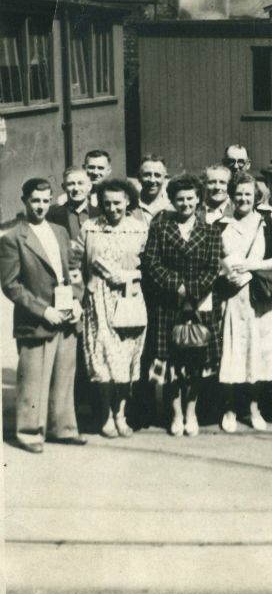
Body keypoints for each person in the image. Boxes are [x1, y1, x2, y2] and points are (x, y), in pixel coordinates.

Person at [0, 178, 86, 453]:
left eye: (45, 200)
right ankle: (29, 432)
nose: (40, 206)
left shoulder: (60, 231)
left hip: (66, 315)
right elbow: (11, 285)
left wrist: (77, 298)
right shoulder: (14, 238)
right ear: (25, 201)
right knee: (33, 380)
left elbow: (74, 271)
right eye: (35, 201)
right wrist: (42, 310)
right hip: (36, 319)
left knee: (64, 375)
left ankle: (62, 428)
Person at [142, 174, 223, 437]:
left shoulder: (210, 231)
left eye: (190, 198)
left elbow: (213, 267)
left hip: (201, 305)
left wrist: (192, 291)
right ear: (172, 201)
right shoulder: (161, 228)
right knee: (171, 364)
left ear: (198, 199)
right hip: (168, 304)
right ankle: (175, 414)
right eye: (180, 199)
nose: (185, 203)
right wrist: (176, 285)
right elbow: (151, 264)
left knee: (196, 362)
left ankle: (192, 413)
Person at [216, 172, 272, 433]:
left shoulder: (267, 223)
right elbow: (212, 262)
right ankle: (229, 408)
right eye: (239, 193)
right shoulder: (221, 225)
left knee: (258, 355)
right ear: (231, 196)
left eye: (248, 194)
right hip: (232, 300)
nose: (243, 198)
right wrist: (226, 275)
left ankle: (254, 409)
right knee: (232, 353)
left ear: (256, 196)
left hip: (259, 300)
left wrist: (250, 268)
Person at [80, 179, 149, 439]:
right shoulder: (89, 227)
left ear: (128, 202)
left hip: (128, 300)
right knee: (102, 362)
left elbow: (149, 265)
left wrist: (131, 276)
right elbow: (76, 261)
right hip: (97, 301)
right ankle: (106, 416)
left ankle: (121, 413)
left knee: (125, 361)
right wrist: (86, 285)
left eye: (117, 202)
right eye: (106, 202)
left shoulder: (139, 229)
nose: (111, 208)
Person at [47, 167, 97, 242]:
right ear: (64, 187)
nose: (76, 189)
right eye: (71, 184)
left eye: (80, 183)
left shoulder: (100, 213)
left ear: (89, 186)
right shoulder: (51, 214)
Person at [135, 155, 173, 224]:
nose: (152, 180)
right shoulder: (129, 204)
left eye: (157, 175)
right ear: (139, 177)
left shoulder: (173, 205)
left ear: (165, 178)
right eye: (147, 175)